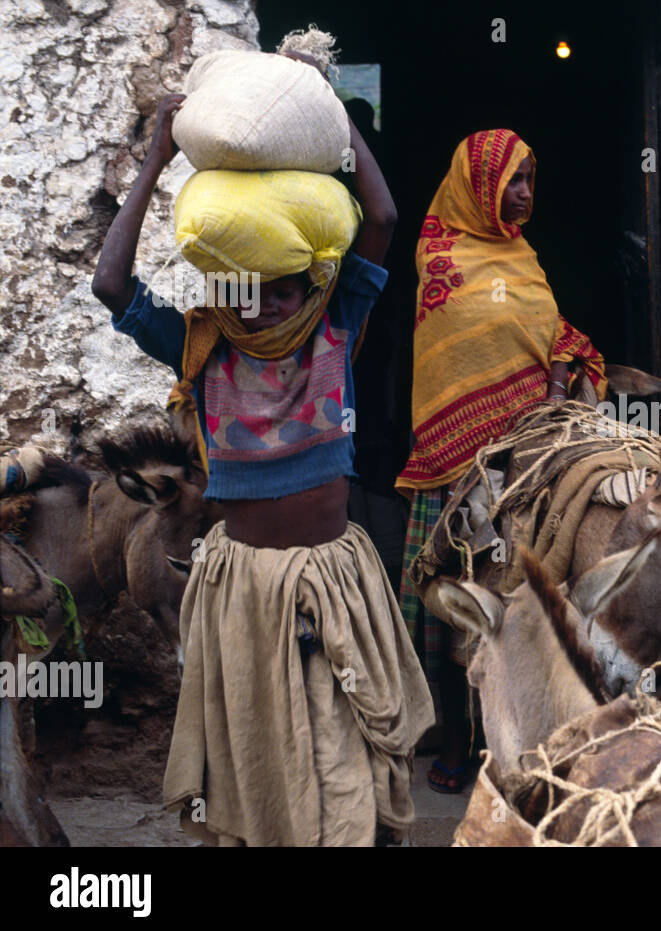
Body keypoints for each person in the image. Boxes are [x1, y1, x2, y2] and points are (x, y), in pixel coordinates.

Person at [91, 64, 434, 845]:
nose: (269, 302)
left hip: (334, 576)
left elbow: (379, 216)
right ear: (227, 283)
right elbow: (112, 285)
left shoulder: (336, 328)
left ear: (311, 281)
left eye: (286, 286)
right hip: (241, 585)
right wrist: (154, 164)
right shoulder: (200, 349)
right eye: (253, 287)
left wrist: (330, 112)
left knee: (344, 743)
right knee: (254, 755)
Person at [395, 128, 606, 793]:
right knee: (451, 603)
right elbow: (450, 357)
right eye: (513, 180)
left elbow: (553, 334)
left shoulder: (525, 260)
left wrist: (557, 376)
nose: (525, 193)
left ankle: (526, 742)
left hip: (530, 455)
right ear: (478, 185)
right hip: (457, 465)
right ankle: (457, 740)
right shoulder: (440, 256)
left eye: (530, 180)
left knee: (527, 600)